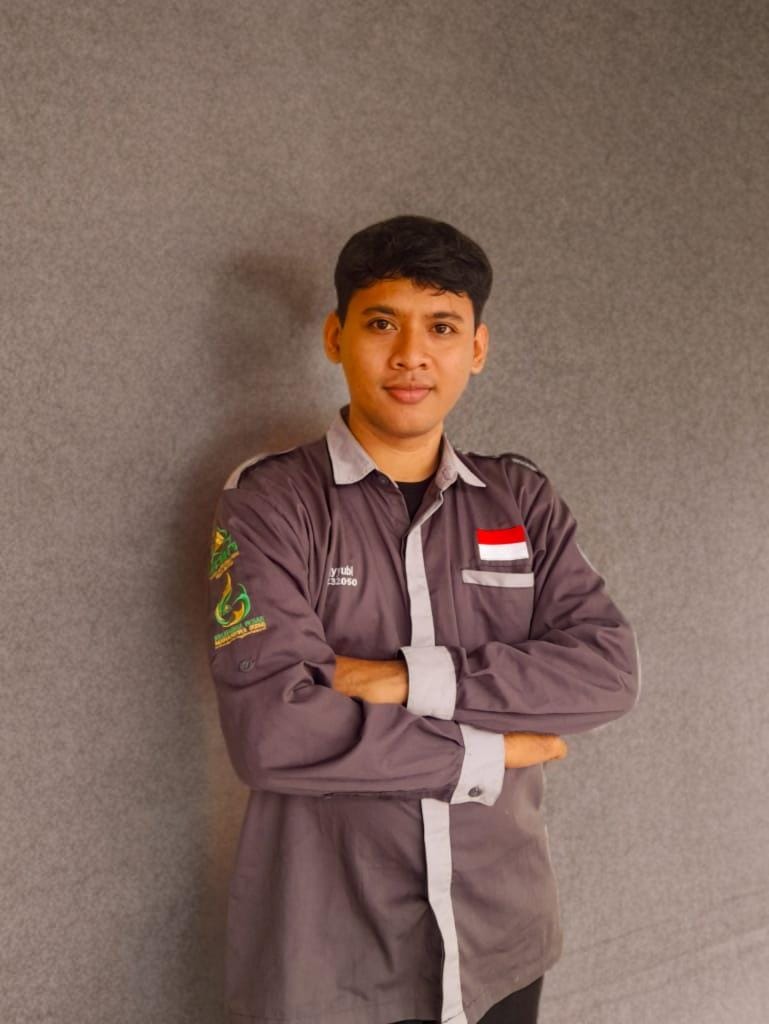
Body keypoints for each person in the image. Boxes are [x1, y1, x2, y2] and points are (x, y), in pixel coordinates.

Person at [206, 214, 640, 1024]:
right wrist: (491, 752)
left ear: (476, 347)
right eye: (381, 324)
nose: (411, 354)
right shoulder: (271, 501)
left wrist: (402, 679)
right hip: (333, 952)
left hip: (499, 937)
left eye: (441, 327)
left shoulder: (520, 498)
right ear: (335, 337)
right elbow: (273, 729)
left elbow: (607, 672)